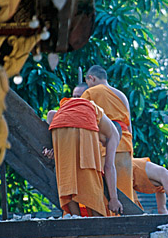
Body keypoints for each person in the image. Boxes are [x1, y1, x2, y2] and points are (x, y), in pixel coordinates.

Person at [47, 96, 123, 217]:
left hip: (58, 125)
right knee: (91, 178)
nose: (103, 144)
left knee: (68, 177)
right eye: (103, 143)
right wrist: (114, 198)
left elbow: (51, 114)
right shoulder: (114, 134)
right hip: (84, 123)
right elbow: (109, 166)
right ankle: (97, 220)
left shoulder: (71, 108)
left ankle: (74, 217)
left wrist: (53, 146)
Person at [81, 65, 134, 203]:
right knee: (125, 190)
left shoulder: (91, 92)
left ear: (91, 78)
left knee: (104, 190)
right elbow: (129, 126)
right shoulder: (122, 95)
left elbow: (82, 120)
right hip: (125, 144)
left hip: (105, 142)